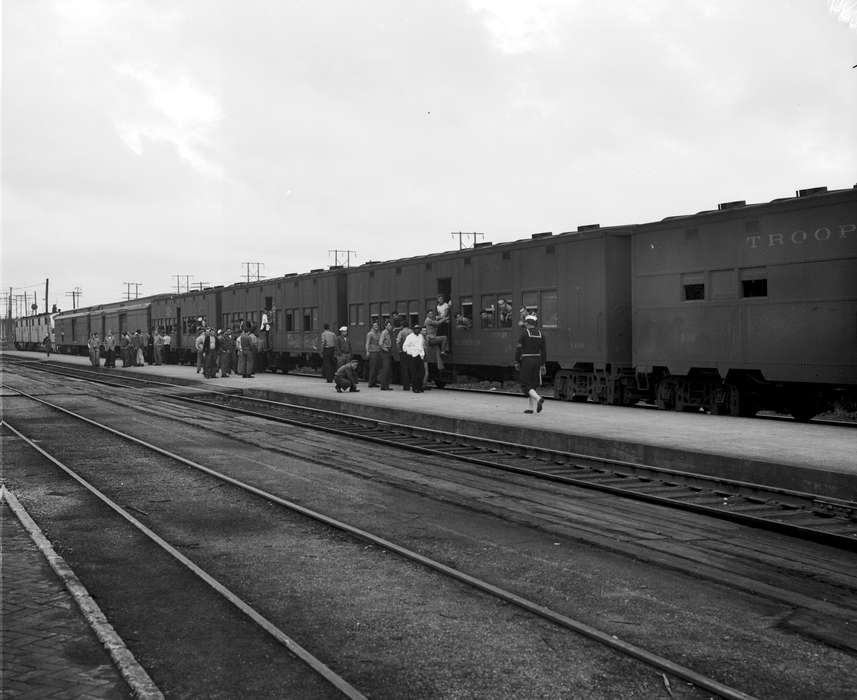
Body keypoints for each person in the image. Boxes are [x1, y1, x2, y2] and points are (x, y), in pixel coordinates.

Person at [514, 314, 547, 414]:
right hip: (537, 360)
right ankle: (530, 408)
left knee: (525, 384)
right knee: (532, 384)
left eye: (525, 322)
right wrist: (543, 364)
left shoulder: (524, 334)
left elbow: (518, 349)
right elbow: (544, 351)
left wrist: (516, 361)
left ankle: (538, 398)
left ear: (528, 323)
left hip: (527, 360)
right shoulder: (541, 334)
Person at [402, 324, 426, 393]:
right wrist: (411, 352)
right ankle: (415, 388)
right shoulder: (410, 337)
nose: (417, 330)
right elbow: (404, 347)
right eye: (416, 329)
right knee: (414, 373)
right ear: (413, 330)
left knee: (422, 372)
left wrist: (422, 354)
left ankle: (420, 386)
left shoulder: (421, 336)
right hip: (412, 357)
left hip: (420, 356)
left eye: (418, 329)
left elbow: (421, 345)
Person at [395, 321, 413, 390]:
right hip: (411, 352)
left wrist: (399, 350)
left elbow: (398, 342)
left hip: (404, 352)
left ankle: (406, 386)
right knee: (411, 368)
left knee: (404, 369)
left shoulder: (401, 332)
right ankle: (413, 384)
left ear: (402, 326)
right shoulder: (412, 332)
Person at [364, 321, 381, 387]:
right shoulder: (370, 334)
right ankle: (370, 383)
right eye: (375, 325)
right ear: (372, 326)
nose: (376, 326)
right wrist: (367, 351)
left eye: (377, 325)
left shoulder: (379, 333)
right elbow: (367, 343)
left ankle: (374, 382)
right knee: (373, 368)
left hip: (378, 351)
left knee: (377, 368)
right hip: (373, 352)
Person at [378, 320, 394, 390]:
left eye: (390, 325)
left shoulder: (389, 333)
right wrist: (385, 349)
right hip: (385, 352)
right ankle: (383, 386)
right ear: (386, 326)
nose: (390, 327)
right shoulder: (384, 333)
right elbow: (380, 343)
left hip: (388, 350)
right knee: (385, 369)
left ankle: (386, 386)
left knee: (388, 369)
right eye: (389, 325)